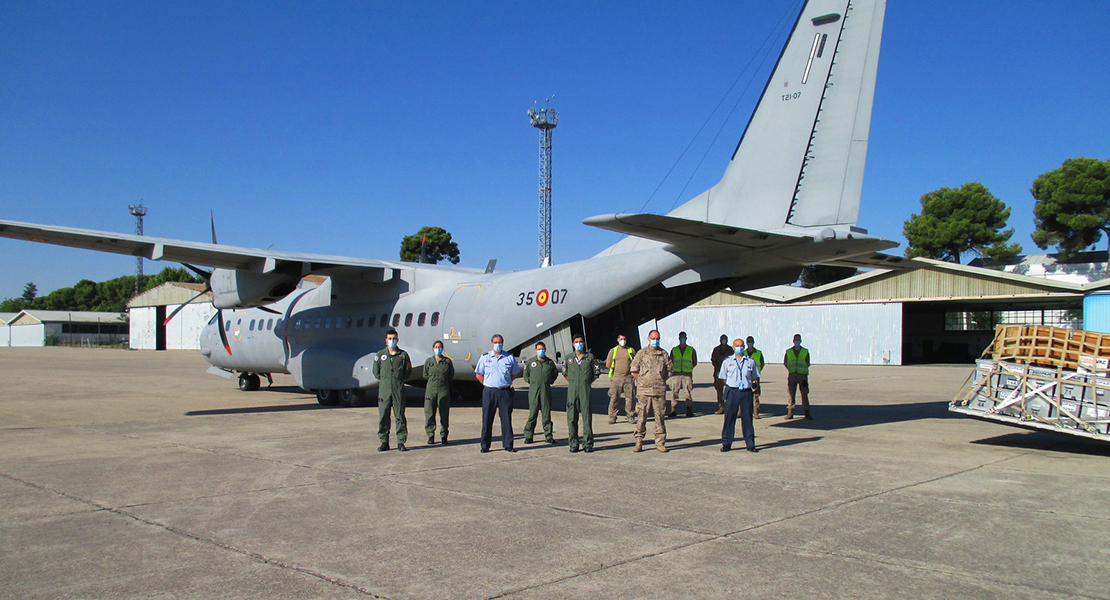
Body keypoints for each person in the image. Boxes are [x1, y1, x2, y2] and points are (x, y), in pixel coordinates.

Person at [474, 334, 522, 452]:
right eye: (495, 342)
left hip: (504, 391)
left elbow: (515, 373)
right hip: (489, 391)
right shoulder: (485, 357)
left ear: (502, 343)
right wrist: (487, 384)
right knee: (487, 419)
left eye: (499, 342)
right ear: (491, 344)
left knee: (506, 419)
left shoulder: (509, 357)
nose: (497, 344)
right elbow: (478, 374)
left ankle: (508, 445)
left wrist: (505, 381)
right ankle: (485, 446)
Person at [631, 329, 673, 453]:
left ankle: (660, 442)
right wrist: (643, 381)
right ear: (648, 339)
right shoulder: (642, 353)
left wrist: (659, 380)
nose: (655, 341)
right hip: (644, 390)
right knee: (641, 416)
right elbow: (634, 369)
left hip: (659, 390)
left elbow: (669, 371)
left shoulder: (663, 354)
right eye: (653, 338)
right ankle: (639, 441)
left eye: (657, 338)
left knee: (660, 417)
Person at [372, 329, 412, 452]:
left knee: (399, 415)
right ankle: (384, 441)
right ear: (386, 340)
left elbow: (407, 372)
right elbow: (376, 372)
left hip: (398, 388)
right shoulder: (380, 355)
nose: (392, 341)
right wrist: (384, 380)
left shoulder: (403, 355)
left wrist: (398, 380)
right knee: (384, 415)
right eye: (390, 339)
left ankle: (401, 441)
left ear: (397, 340)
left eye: (394, 339)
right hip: (384, 389)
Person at [719, 337, 760, 452]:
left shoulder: (750, 361)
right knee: (729, 418)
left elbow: (755, 376)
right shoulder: (727, 361)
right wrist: (733, 384)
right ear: (733, 347)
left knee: (747, 418)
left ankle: (750, 444)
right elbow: (723, 377)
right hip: (732, 391)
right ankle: (726, 443)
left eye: (741, 346)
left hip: (746, 392)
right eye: (737, 346)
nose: (739, 348)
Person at [563, 335, 598, 452]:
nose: (579, 344)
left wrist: (586, 382)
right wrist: (573, 383)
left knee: (587, 417)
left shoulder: (590, 357)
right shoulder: (569, 358)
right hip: (572, 390)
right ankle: (573, 443)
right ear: (573, 344)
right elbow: (565, 373)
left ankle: (587, 443)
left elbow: (596, 373)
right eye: (576, 342)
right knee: (571, 417)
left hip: (585, 389)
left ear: (584, 343)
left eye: (581, 342)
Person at [522, 341, 558, 444]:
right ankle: (529, 435)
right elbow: (526, 375)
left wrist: (549, 381)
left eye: (542, 349)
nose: (540, 351)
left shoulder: (550, 363)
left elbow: (554, 374)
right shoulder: (530, 362)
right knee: (532, 414)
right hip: (534, 391)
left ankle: (548, 435)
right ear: (535, 350)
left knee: (546, 414)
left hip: (545, 391)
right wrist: (532, 382)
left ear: (545, 350)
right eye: (538, 349)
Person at [422, 340, 454, 445]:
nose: (438, 349)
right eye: (436, 347)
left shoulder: (447, 362)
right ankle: (430, 435)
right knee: (429, 413)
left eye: (439, 347)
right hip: (431, 390)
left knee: (444, 414)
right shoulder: (429, 362)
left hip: (443, 389)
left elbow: (450, 375)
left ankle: (444, 436)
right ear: (433, 348)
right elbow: (425, 375)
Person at [605, 334, 637, 423]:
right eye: (621, 339)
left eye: (624, 339)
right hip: (616, 378)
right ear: (618, 340)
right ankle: (612, 416)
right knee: (614, 398)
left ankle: (630, 416)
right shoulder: (613, 350)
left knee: (630, 398)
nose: (623, 341)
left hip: (628, 378)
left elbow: (635, 362)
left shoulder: (631, 350)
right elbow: (608, 364)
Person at [668, 331, 698, 417]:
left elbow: (694, 361)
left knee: (687, 392)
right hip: (676, 374)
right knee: (674, 392)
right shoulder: (674, 350)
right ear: (678, 338)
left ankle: (689, 410)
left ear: (686, 338)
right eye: (681, 337)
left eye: (684, 337)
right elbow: (671, 361)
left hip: (687, 374)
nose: (682, 339)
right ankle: (673, 410)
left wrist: (689, 368)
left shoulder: (691, 349)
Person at [783, 333, 812, 420]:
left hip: (802, 376)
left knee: (804, 394)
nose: (797, 342)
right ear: (793, 341)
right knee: (791, 394)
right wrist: (790, 369)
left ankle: (807, 413)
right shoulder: (789, 352)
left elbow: (807, 362)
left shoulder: (805, 351)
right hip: (792, 375)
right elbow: (785, 362)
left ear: (801, 341)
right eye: (796, 340)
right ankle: (790, 413)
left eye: (798, 340)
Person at [710, 334, 732, 415]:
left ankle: (729, 406)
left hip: (729, 372)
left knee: (730, 389)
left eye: (725, 339)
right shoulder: (716, 349)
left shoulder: (730, 350)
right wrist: (719, 369)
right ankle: (721, 406)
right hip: (718, 371)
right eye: (722, 339)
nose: (723, 341)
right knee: (719, 390)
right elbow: (713, 360)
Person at [745, 335, 766, 419]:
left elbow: (762, 364)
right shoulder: (743, 353)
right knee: (743, 394)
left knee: (755, 395)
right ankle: (741, 412)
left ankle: (756, 412)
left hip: (755, 377)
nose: (750, 343)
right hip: (745, 377)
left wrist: (757, 372)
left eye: (751, 341)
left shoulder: (758, 353)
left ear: (753, 342)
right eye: (748, 342)